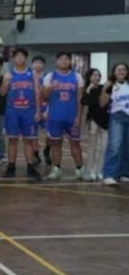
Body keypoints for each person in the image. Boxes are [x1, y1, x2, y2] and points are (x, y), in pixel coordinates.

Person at [0, 48, 42, 180]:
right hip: (13, 111)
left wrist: (38, 110)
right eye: (17, 56)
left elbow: (37, 92)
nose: (19, 58)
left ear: (26, 58)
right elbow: (2, 93)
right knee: (12, 140)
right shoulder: (8, 74)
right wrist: (5, 83)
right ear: (13, 59)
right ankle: (11, 167)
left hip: (28, 110)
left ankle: (30, 167)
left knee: (29, 140)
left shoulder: (32, 73)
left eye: (22, 56)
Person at [43, 52, 86, 180]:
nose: (64, 61)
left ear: (70, 61)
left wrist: (78, 116)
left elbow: (80, 99)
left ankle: (80, 169)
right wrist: (50, 87)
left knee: (75, 143)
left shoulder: (77, 77)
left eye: (66, 59)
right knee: (56, 144)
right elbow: (44, 96)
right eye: (61, 59)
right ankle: (56, 169)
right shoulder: (50, 76)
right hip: (55, 116)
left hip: (71, 117)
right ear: (57, 61)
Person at [100, 62, 129, 186]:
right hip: (117, 117)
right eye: (119, 69)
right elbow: (102, 103)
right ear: (114, 72)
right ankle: (109, 174)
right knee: (115, 146)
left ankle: (124, 173)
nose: (121, 71)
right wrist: (105, 89)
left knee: (127, 147)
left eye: (124, 69)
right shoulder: (111, 85)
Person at [81, 68, 108, 181]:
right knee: (92, 146)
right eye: (94, 75)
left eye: (98, 75)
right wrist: (88, 89)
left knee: (104, 147)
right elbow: (85, 101)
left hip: (105, 120)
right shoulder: (87, 89)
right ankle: (90, 169)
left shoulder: (103, 88)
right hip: (93, 121)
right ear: (89, 77)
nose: (97, 77)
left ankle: (100, 169)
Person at [31, 55, 50, 166]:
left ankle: (47, 150)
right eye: (36, 62)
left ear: (43, 65)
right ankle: (36, 154)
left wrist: (48, 109)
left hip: (45, 107)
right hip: (32, 108)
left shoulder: (48, 77)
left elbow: (51, 95)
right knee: (33, 133)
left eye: (40, 63)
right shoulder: (28, 77)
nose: (38, 65)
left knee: (50, 133)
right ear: (32, 64)